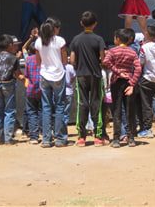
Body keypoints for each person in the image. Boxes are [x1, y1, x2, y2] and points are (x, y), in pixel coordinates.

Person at [69, 11, 107, 147]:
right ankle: (98, 137)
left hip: (81, 76)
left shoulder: (76, 40)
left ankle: (81, 137)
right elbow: (103, 59)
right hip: (96, 75)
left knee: (82, 104)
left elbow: (72, 60)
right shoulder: (99, 39)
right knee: (96, 104)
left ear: (81, 23)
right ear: (95, 24)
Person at [103, 28, 142, 148]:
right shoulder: (132, 52)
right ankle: (131, 138)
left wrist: (118, 71)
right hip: (128, 83)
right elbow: (138, 69)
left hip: (116, 83)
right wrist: (132, 84)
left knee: (117, 111)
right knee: (130, 111)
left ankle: (116, 139)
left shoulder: (112, 51)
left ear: (118, 39)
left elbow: (106, 62)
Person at [35, 17, 68, 148]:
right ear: (54, 29)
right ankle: (60, 138)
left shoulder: (38, 42)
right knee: (60, 106)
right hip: (58, 75)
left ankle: (46, 139)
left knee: (46, 107)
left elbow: (38, 62)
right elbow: (65, 60)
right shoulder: (60, 41)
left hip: (44, 76)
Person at [0, 34, 25, 145]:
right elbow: (17, 74)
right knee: (9, 111)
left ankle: (0, 137)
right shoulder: (13, 58)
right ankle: (8, 138)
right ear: (10, 45)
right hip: (8, 84)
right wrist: (24, 79)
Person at [23, 42, 42, 145]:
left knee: (32, 113)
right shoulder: (44, 58)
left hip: (31, 89)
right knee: (43, 111)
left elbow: (26, 75)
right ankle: (45, 134)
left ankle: (34, 137)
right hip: (43, 89)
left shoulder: (28, 59)